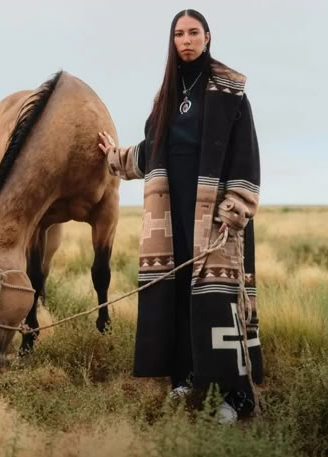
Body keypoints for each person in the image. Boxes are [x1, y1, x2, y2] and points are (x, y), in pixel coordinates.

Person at [98, 9, 262, 423]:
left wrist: (235, 209)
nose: (186, 40)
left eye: (193, 33)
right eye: (178, 34)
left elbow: (246, 154)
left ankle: (234, 396)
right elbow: (153, 149)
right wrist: (114, 157)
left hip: (216, 213)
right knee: (178, 292)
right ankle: (184, 377)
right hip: (171, 212)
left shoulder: (229, 91)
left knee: (219, 299)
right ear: (172, 42)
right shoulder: (168, 94)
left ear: (208, 36)